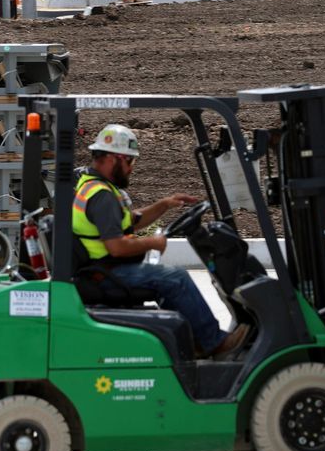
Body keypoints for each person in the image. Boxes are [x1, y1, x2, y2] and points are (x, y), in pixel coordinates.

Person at [72, 123, 250, 359]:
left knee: (169, 278)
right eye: (130, 161)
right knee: (176, 278)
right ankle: (213, 342)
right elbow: (116, 247)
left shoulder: (92, 187)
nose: (131, 169)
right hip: (107, 272)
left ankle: (195, 341)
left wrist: (165, 204)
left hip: (102, 268)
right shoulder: (102, 196)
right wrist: (152, 243)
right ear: (113, 159)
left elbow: (132, 222)